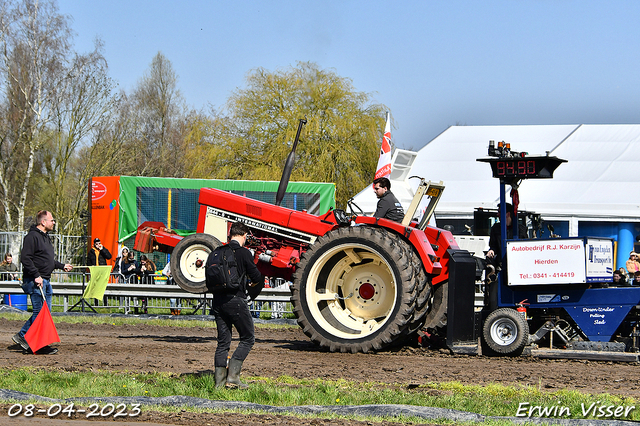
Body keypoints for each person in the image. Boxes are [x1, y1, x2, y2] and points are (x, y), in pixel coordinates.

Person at [12, 210, 72, 355]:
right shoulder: (32, 237)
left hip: (45, 279)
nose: (54, 222)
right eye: (52, 220)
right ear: (43, 222)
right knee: (40, 314)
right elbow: (25, 259)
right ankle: (31, 340)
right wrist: (36, 275)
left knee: (46, 314)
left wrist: (61, 265)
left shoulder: (45, 238)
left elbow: (47, 260)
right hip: (36, 281)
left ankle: (28, 338)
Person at [212, 222, 264, 389]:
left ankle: (219, 384)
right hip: (236, 301)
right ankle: (233, 378)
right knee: (248, 338)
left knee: (223, 342)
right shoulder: (244, 253)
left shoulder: (217, 252)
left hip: (218, 301)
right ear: (244, 236)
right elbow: (256, 276)